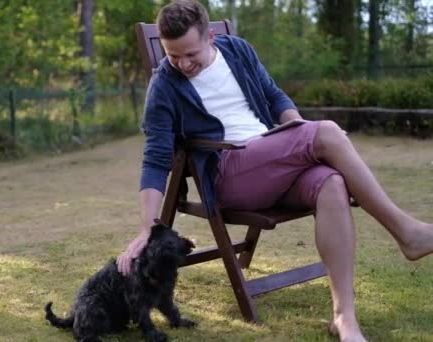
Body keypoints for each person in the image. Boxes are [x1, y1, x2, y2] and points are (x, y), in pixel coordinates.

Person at [116, 1, 433, 341]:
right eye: (172, 55)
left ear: (209, 36)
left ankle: (344, 318)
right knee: (325, 132)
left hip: (274, 156)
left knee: (332, 183)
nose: (182, 63)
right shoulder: (164, 84)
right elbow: (155, 159)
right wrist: (148, 229)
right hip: (230, 171)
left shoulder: (236, 50)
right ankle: (407, 233)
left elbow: (275, 97)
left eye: (189, 53)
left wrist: (298, 136)